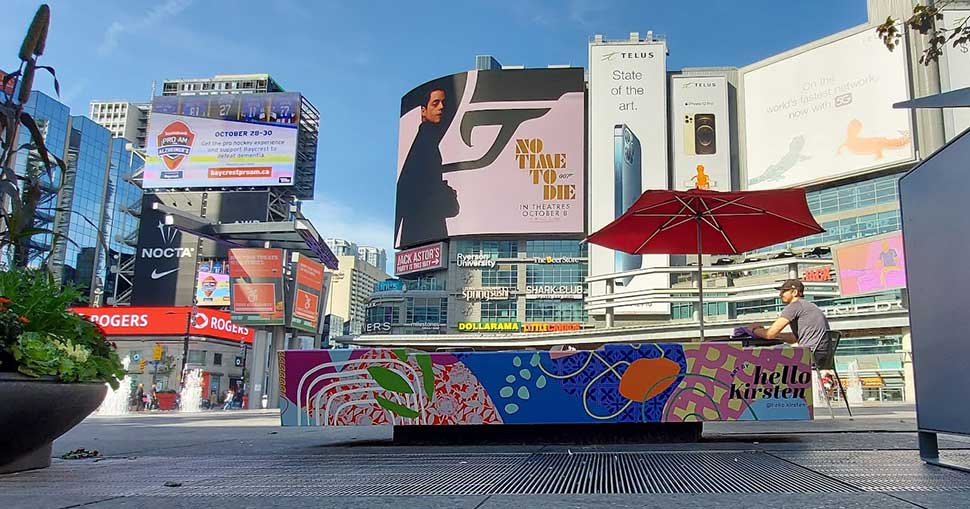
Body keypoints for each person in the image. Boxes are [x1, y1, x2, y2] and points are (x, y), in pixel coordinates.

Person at [749, 279, 833, 368]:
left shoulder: (794, 306)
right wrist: (775, 335)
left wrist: (754, 330)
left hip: (810, 356)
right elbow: (794, 338)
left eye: (784, 291)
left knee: (766, 360)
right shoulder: (809, 306)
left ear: (795, 292)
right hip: (823, 356)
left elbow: (770, 334)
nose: (780, 294)